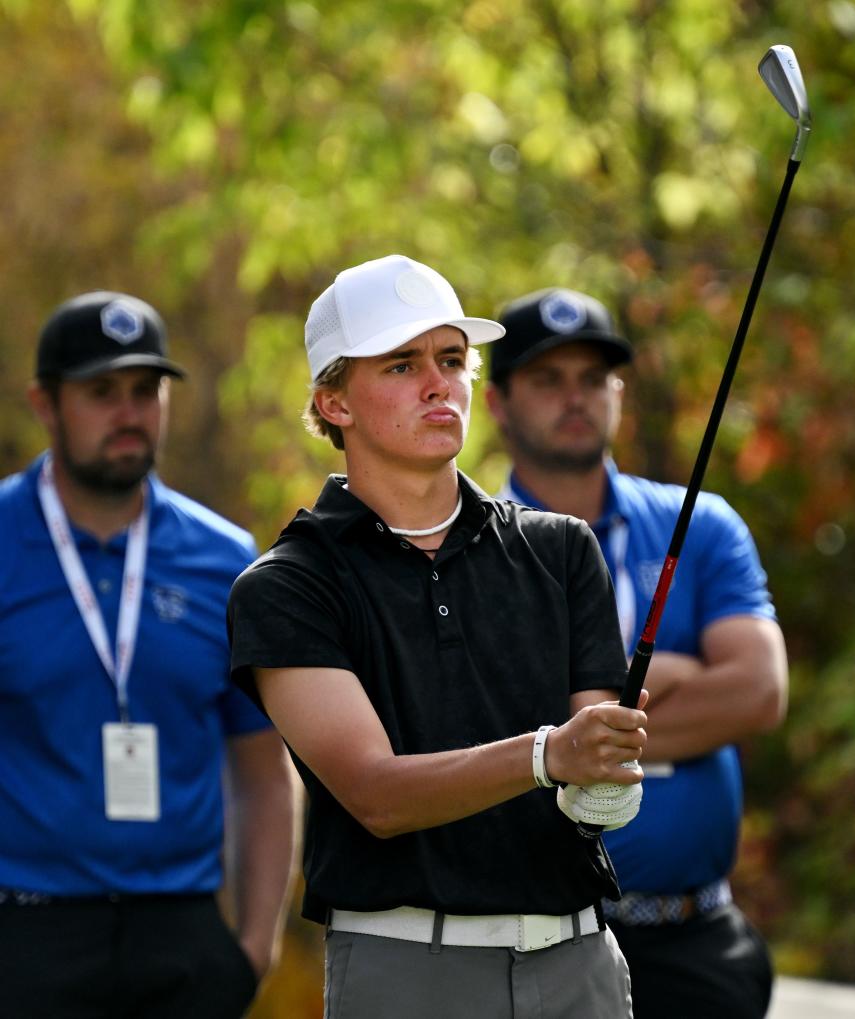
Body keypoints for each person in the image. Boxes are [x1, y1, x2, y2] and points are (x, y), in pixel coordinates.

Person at [227, 254, 649, 1019]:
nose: (437, 384)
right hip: (406, 972)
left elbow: (597, 787)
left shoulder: (561, 549)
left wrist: (608, 776)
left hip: (580, 961)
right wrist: (549, 753)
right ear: (334, 401)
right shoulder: (287, 586)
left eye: (452, 359)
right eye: (401, 363)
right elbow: (375, 795)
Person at [486, 287, 790, 1019]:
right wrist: (676, 676)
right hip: (530, 943)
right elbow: (473, 723)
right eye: (547, 378)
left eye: (594, 378)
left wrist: (573, 732)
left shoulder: (704, 524)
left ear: (618, 393)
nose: (576, 396)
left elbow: (758, 691)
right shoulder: (466, 549)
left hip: (693, 940)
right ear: (495, 403)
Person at [0, 291, 296, 1019]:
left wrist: (257, 945)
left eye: (146, 391)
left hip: (182, 939)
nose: (128, 413)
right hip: (26, 931)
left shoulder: (223, 558)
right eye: (101, 392)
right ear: (46, 402)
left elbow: (264, 772)